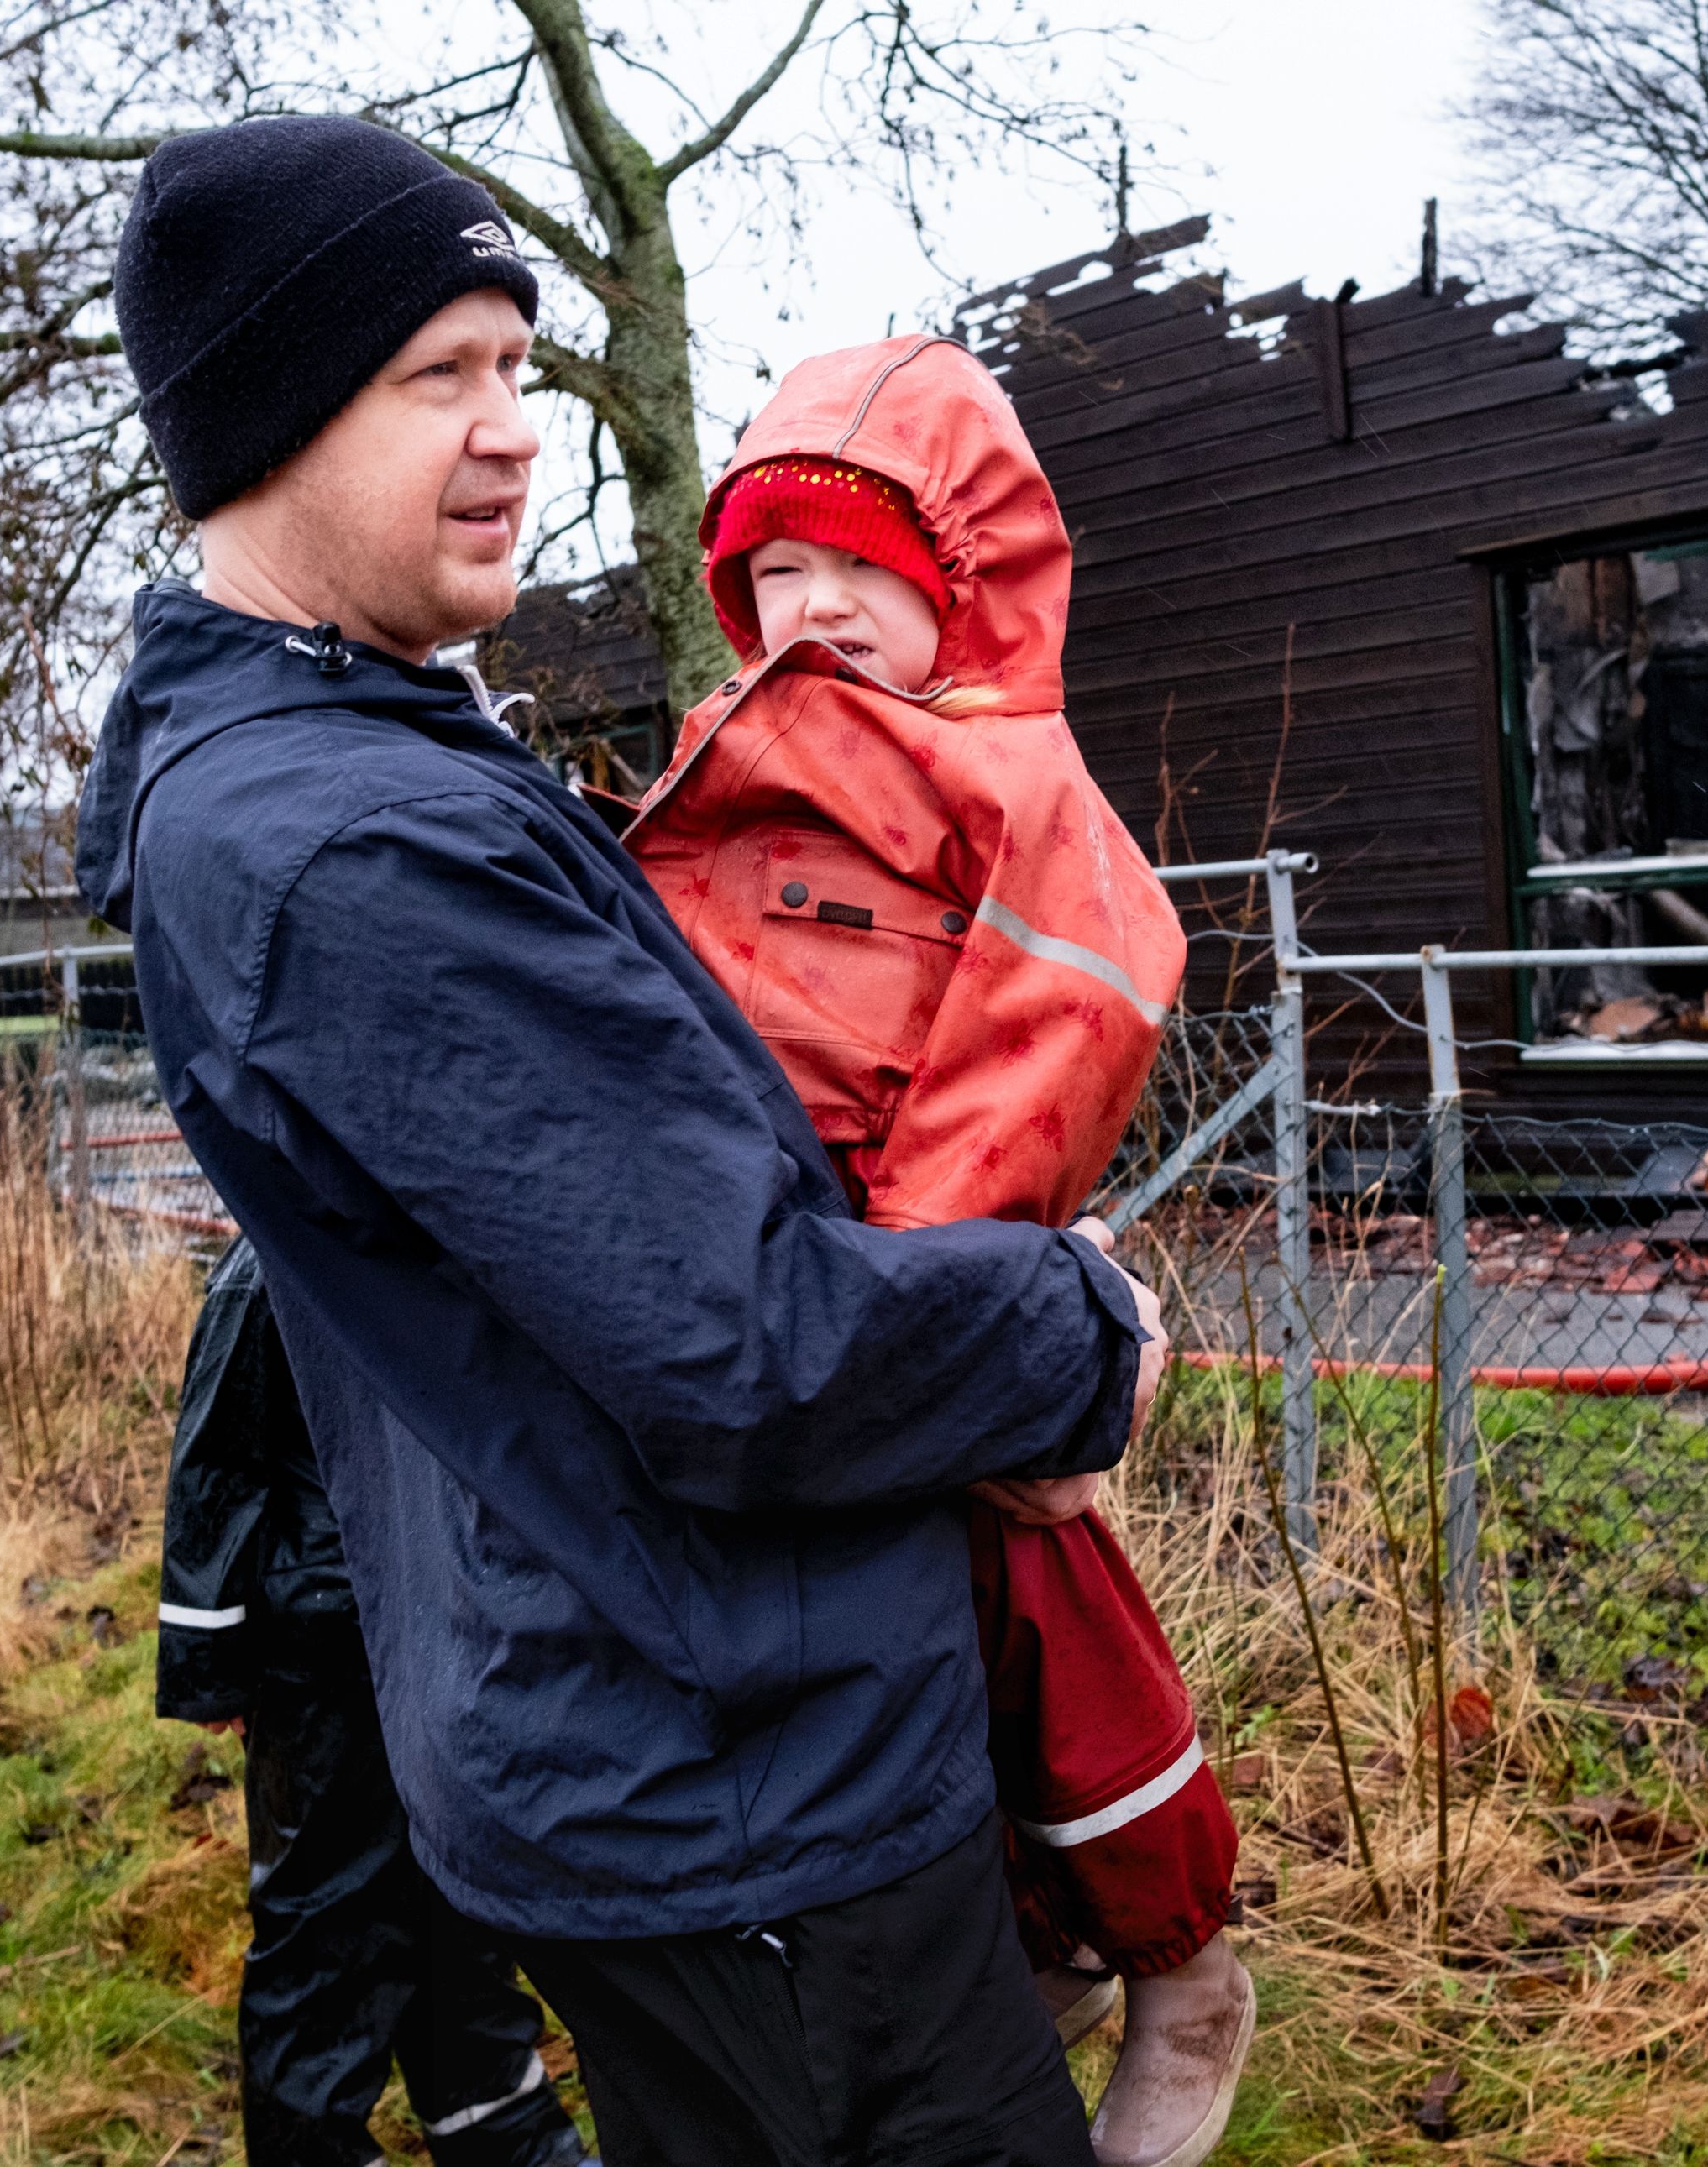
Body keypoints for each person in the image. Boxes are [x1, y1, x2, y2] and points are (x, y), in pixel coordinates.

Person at [75, 115, 1168, 2167]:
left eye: (517, 365)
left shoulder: (352, 753)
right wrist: (1078, 1327)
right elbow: (757, 1347)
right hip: (739, 1776)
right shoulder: (360, 846)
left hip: (656, 1721)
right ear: (269, 418)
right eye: (438, 375)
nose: (514, 430)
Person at [621, 341, 1250, 2167]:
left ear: (960, 583)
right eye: (775, 574)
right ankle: (1042, 1948)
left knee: (1048, 1624)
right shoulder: (727, 757)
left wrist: (917, 1306)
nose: (812, 610)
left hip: (901, 1283)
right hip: (776, 1286)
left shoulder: (1010, 781)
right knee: (907, 1671)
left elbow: (1055, 1022)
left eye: (860, 569)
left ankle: (1183, 1953)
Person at [157, 1240, 593, 2167]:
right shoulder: (269, 1257)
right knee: (327, 1919)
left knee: (459, 1892)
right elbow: (214, 1463)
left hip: (445, 1628)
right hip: (325, 1651)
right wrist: (210, 1660)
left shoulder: (436, 1229)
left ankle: (502, 2133)